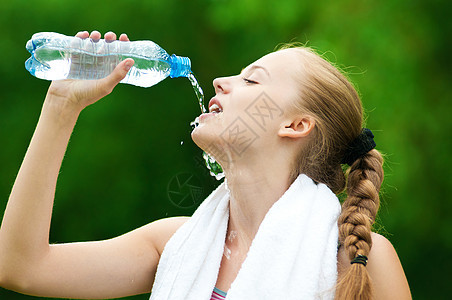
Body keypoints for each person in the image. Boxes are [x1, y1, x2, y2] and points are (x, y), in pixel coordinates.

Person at [0, 31, 411, 300]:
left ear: (296, 124)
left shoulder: (359, 262)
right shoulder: (174, 244)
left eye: (253, 80)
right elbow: (19, 266)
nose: (220, 81)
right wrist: (60, 107)